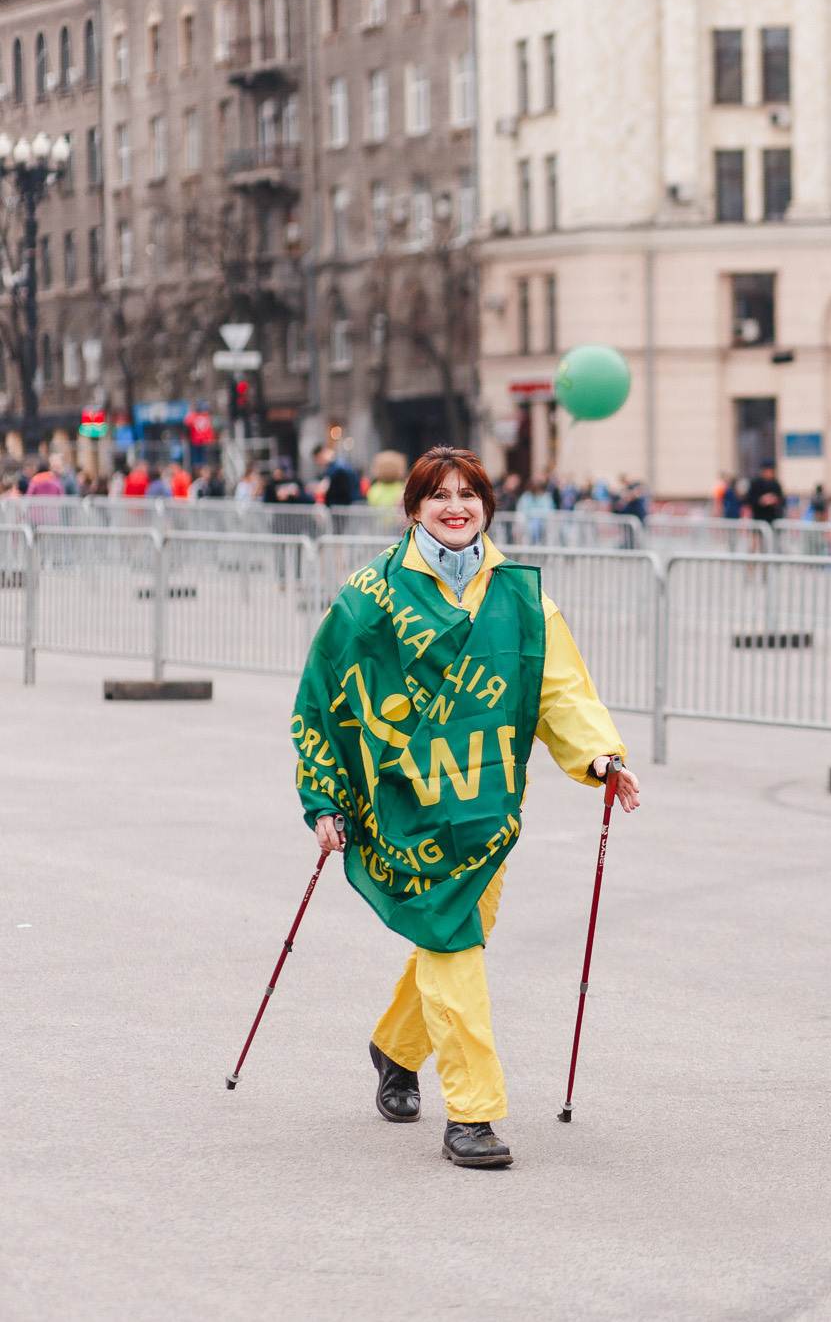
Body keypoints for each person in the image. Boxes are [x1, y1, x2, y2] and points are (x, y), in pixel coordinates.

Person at [290, 446, 641, 1169]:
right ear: (413, 508)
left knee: (458, 933)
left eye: (469, 493)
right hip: (402, 810)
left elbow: (559, 689)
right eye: (439, 494)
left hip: (485, 808)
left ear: (488, 504)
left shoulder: (521, 598)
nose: (456, 505)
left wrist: (599, 755)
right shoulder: (369, 597)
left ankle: (395, 1046)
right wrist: (322, 795)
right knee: (455, 944)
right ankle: (473, 1114)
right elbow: (321, 698)